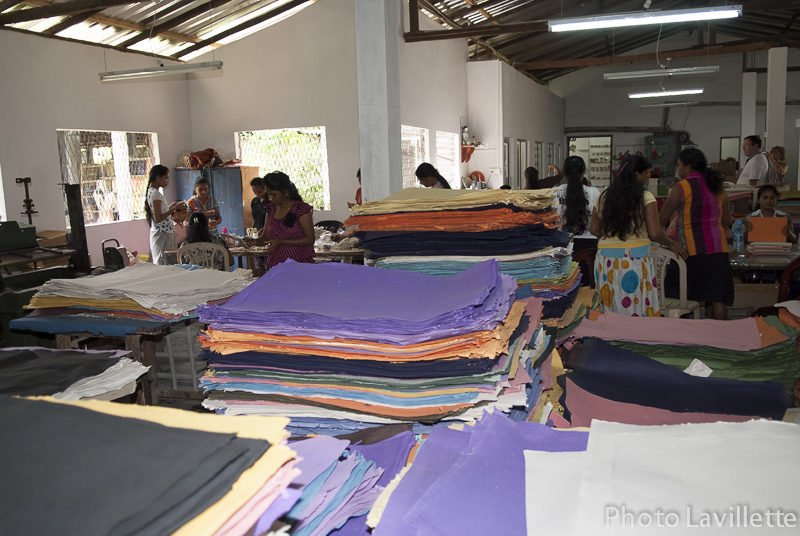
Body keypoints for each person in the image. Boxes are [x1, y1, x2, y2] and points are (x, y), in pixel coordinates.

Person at [590, 155, 688, 317]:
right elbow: (655, 232)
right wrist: (672, 244)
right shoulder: (645, 197)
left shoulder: (604, 197)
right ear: (637, 174)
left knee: (610, 305)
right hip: (634, 259)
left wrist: (614, 235)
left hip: (605, 260)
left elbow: (594, 229)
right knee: (635, 305)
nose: (646, 179)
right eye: (645, 174)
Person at [660, 148, 734, 320]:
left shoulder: (681, 188)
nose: (677, 170)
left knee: (675, 295)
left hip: (689, 251)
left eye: (679, 166)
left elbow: (660, 219)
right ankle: (722, 334)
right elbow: (727, 220)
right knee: (718, 297)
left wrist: (670, 240)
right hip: (718, 250)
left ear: (688, 167)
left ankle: (685, 332)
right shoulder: (717, 186)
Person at [253, 171, 315, 268]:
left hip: (300, 264)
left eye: (274, 195)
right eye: (268, 195)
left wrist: (282, 242)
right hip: (276, 264)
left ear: (286, 192)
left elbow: (310, 239)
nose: (270, 199)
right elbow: (266, 236)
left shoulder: (300, 209)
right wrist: (253, 242)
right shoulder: (271, 210)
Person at [555, 156, 601, 252]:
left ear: (564, 172)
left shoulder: (554, 193)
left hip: (561, 245)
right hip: (589, 246)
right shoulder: (595, 192)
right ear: (583, 173)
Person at [144, 165, 185, 265]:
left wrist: (171, 207)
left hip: (164, 233)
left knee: (168, 262)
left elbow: (160, 212)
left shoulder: (153, 192)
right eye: (166, 178)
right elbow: (158, 218)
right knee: (165, 263)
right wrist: (174, 209)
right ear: (158, 178)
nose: (168, 181)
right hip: (162, 234)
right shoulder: (155, 194)